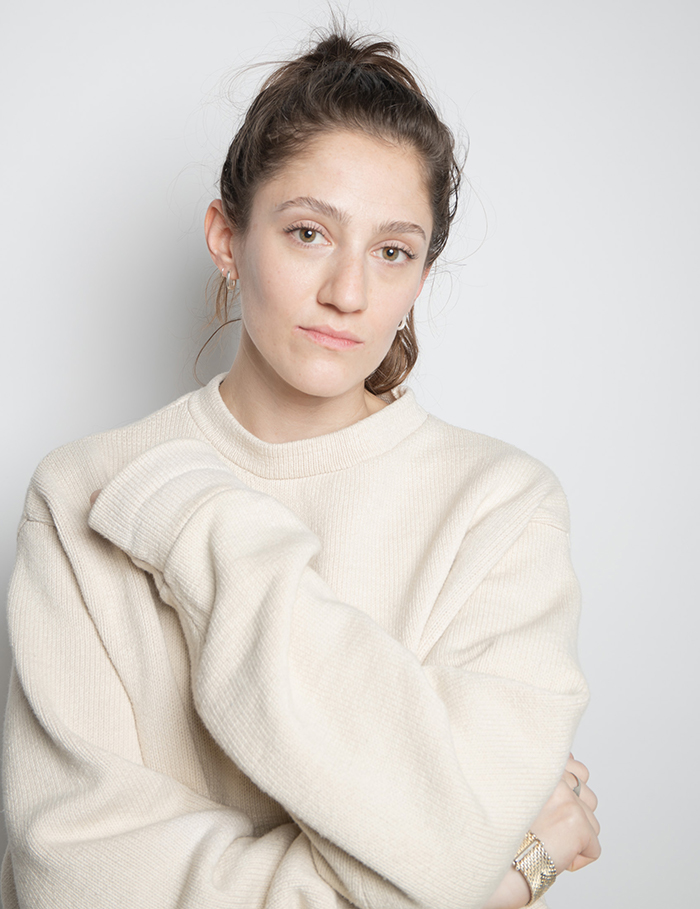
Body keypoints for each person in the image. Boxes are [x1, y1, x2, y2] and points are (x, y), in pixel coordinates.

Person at [1, 28, 600, 909]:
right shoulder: (86, 489)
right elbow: (74, 884)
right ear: (227, 239)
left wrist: (205, 529)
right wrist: (490, 879)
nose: (349, 293)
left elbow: (458, 834)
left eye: (392, 251)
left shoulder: (502, 509)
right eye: (310, 232)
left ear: (421, 275)